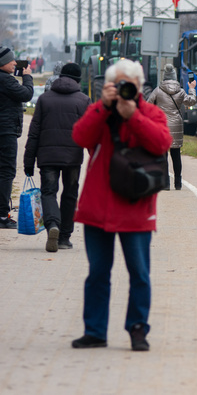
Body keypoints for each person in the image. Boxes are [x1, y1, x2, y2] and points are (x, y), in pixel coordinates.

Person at [71, 59, 172, 351]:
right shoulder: (100, 111)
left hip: (135, 205)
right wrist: (103, 106)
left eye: (130, 84)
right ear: (109, 86)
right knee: (98, 273)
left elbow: (162, 143)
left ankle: (138, 329)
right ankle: (95, 331)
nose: (126, 89)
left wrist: (134, 117)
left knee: (139, 274)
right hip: (98, 206)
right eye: (119, 84)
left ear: (140, 86)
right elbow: (80, 137)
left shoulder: (151, 113)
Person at [23, 63, 90, 251]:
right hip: (73, 158)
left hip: (47, 157)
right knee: (69, 194)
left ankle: (52, 225)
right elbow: (91, 132)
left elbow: (34, 133)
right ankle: (64, 238)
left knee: (49, 192)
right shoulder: (84, 100)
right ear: (78, 80)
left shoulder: (44, 99)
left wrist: (28, 161)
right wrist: (95, 159)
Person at [146, 64, 197, 190]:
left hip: (161, 126)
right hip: (176, 125)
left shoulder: (158, 90)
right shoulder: (180, 91)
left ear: (164, 77)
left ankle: (166, 184)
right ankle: (178, 184)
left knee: (163, 156)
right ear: (175, 77)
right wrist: (192, 89)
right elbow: (191, 101)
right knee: (176, 155)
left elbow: (147, 105)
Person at [0, 46, 33, 229]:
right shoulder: (5, 80)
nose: (14, 63)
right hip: (5, 132)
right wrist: (27, 77)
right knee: (6, 171)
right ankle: (3, 215)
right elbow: (27, 94)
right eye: (11, 60)